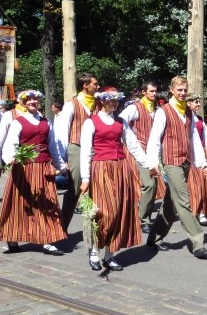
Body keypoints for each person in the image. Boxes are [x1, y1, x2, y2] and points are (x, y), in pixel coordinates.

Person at [80, 87, 151, 271]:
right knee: (104, 212)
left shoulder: (121, 122)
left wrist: (149, 165)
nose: (115, 103)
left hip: (120, 168)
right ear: (102, 101)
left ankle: (110, 254)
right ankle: (94, 250)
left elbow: (133, 146)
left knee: (118, 212)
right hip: (101, 169)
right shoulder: (91, 123)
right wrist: (85, 178)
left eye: (117, 100)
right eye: (111, 100)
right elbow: (85, 153)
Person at [145, 76, 207, 259]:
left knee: (170, 203)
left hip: (186, 161)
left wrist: (201, 162)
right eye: (179, 90)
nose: (182, 93)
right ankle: (198, 242)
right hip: (171, 162)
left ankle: (154, 237)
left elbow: (194, 138)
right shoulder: (163, 112)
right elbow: (154, 139)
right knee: (183, 200)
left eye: (184, 90)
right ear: (171, 90)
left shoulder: (189, 112)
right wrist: (153, 163)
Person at [0, 90, 67, 255]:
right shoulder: (18, 122)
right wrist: (11, 158)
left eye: (35, 99)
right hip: (24, 168)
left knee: (47, 202)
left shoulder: (46, 122)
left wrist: (60, 165)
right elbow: (10, 144)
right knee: (21, 203)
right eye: (29, 100)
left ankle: (47, 240)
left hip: (43, 167)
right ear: (24, 103)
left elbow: (53, 146)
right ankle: (12, 237)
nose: (32, 102)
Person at [55, 72, 100, 231]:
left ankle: (94, 228)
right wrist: (63, 156)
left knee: (95, 186)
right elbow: (63, 131)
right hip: (76, 147)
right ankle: (62, 227)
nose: (97, 86)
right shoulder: (72, 104)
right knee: (75, 188)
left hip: (95, 148)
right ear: (85, 85)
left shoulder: (98, 104)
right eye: (94, 84)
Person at [118, 81, 161, 234]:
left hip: (154, 152)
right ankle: (144, 220)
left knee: (154, 186)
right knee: (149, 184)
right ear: (144, 92)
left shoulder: (157, 110)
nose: (154, 94)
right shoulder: (134, 108)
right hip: (140, 152)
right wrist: (132, 138)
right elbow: (120, 122)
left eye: (155, 91)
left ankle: (144, 215)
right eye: (151, 91)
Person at [184, 93, 207, 226]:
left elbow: (206, 137)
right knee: (190, 185)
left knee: (201, 184)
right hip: (188, 155)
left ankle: (200, 212)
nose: (198, 104)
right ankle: (189, 212)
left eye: (199, 102)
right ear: (188, 103)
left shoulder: (200, 119)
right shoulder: (184, 118)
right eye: (195, 102)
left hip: (200, 153)